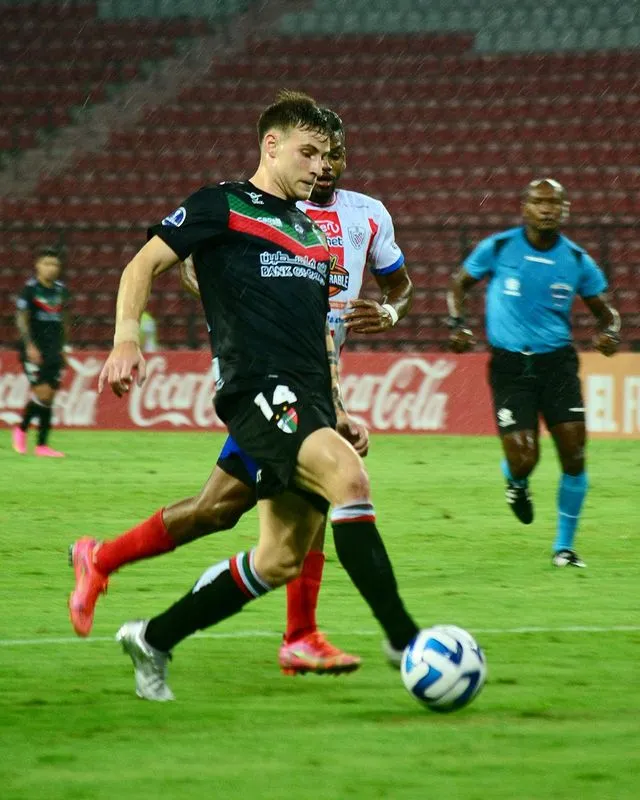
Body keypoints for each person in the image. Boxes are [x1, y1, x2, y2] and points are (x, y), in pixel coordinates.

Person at [72, 91, 420, 700]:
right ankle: (407, 642)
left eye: (327, 156)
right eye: (307, 153)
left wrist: (337, 407)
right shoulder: (222, 204)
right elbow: (141, 265)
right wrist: (126, 340)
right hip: (256, 386)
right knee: (350, 480)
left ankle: (152, 636)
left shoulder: (313, 234)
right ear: (271, 145)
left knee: (279, 557)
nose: (320, 166)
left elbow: (320, 334)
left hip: (308, 392)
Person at [447, 178, 620, 568]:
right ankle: (516, 479)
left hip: (557, 364)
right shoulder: (500, 247)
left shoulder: (576, 260)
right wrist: (457, 323)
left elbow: (605, 311)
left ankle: (564, 548)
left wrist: (610, 331)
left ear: (565, 210)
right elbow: (459, 282)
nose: (547, 210)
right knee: (525, 457)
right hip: (511, 365)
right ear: (525, 208)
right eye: (539, 203)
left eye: (554, 204)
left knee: (574, 454)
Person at [13, 246, 71, 457]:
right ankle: (22, 430)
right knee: (43, 394)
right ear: (38, 265)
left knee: (49, 397)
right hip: (35, 348)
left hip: (54, 347)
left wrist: (65, 346)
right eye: (47, 263)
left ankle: (41, 445)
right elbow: (21, 318)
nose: (51, 268)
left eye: (55, 264)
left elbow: (65, 319)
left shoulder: (61, 290)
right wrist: (29, 345)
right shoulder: (30, 290)